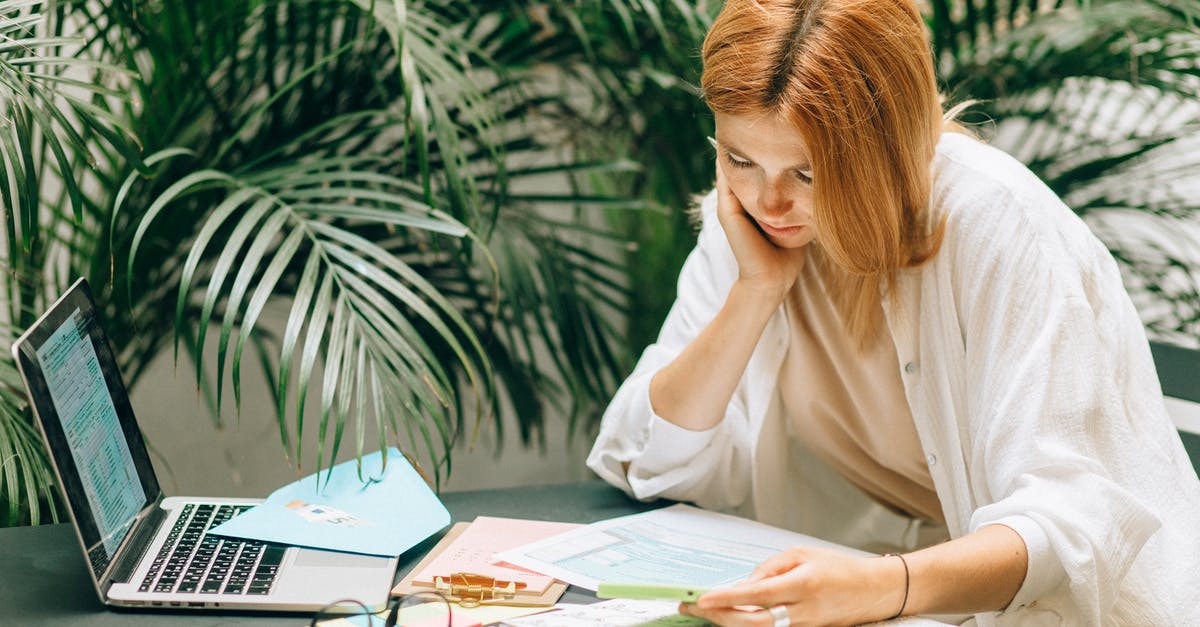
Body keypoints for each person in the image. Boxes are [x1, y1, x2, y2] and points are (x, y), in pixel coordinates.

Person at [586, 0, 1200, 624]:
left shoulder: (1000, 225)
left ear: (890, 145)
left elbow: (1066, 526)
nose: (769, 200)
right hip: (870, 591)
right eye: (739, 159)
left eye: (808, 171)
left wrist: (876, 587)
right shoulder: (754, 226)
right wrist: (755, 292)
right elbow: (651, 457)